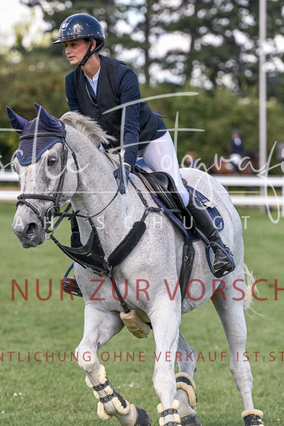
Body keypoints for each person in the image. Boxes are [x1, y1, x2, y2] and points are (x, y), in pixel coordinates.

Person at [55, 13, 234, 278]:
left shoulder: (122, 75)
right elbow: (82, 129)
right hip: (110, 145)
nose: (68, 50)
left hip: (148, 138)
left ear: (93, 44)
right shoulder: (72, 82)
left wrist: (127, 163)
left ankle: (218, 246)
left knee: (176, 188)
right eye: (66, 45)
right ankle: (86, 264)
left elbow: (131, 126)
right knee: (88, 194)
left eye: (74, 44)